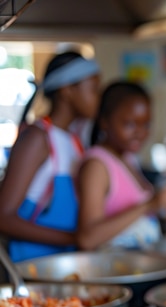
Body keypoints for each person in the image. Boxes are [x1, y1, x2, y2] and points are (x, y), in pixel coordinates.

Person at [0, 51, 100, 261]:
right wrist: (74, 239)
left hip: (64, 264)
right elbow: (4, 218)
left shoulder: (73, 140)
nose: (98, 98)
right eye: (93, 89)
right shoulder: (38, 139)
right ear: (67, 91)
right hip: (32, 266)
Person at [76, 81, 166, 251]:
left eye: (146, 124)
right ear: (104, 121)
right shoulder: (97, 166)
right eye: (129, 124)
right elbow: (87, 238)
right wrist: (149, 205)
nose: (140, 133)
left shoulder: (128, 158)